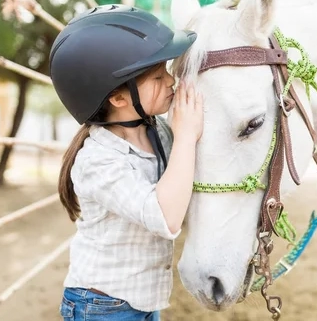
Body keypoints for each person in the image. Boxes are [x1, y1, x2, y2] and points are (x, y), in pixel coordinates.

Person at [48, 4, 203, 321]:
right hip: (101, 306)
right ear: (118, 98)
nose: (172, 81)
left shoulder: (155, 129)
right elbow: (166, 217)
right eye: (159, 77)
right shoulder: (96, 160)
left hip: (142, 301)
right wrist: (186, 136)